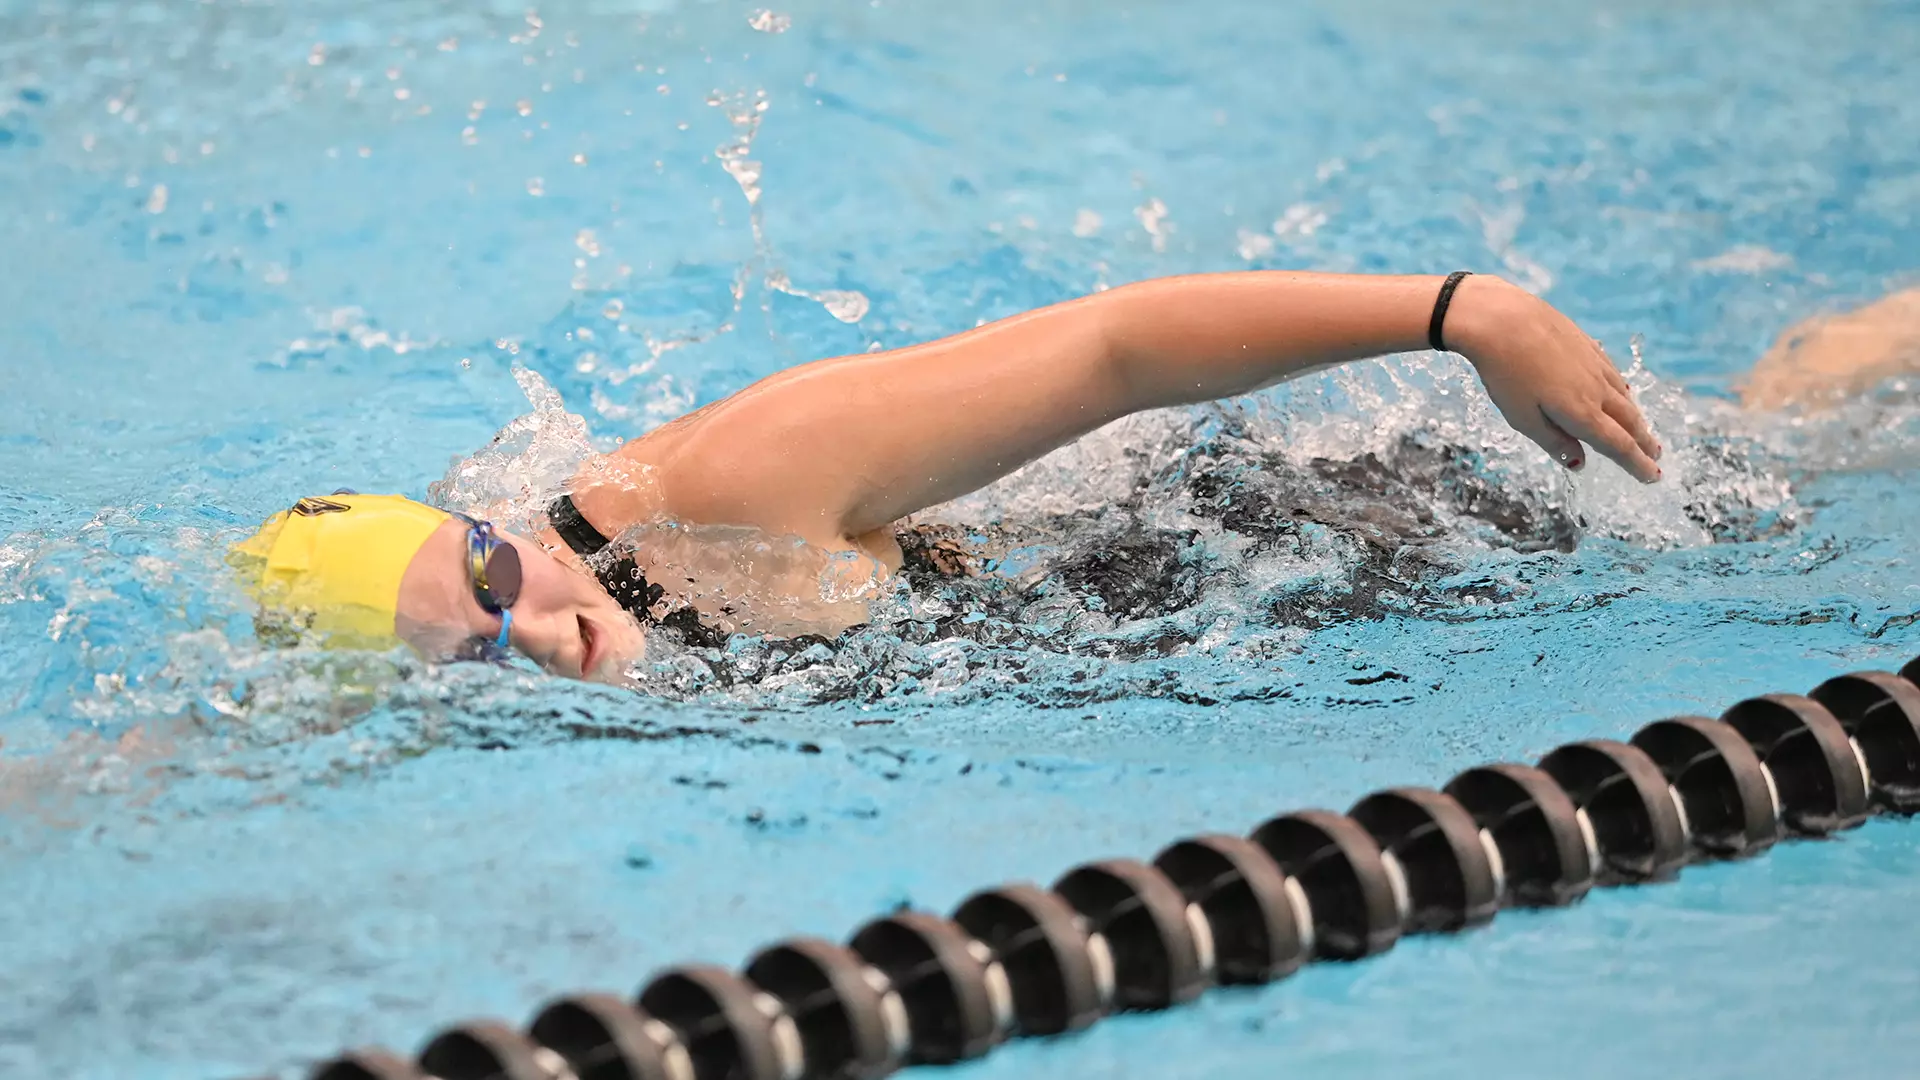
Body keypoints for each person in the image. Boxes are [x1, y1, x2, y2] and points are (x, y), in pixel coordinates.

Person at [229, 271, 1909, 684]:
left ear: (505, 530)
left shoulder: (721, 489)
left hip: (1333, 543)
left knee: (1779, 472)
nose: (534, 637)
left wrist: (1462, 314)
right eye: (464, 654)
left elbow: (1112, 350)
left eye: (500, 585)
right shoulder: (574, 688)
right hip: (1256, 656)